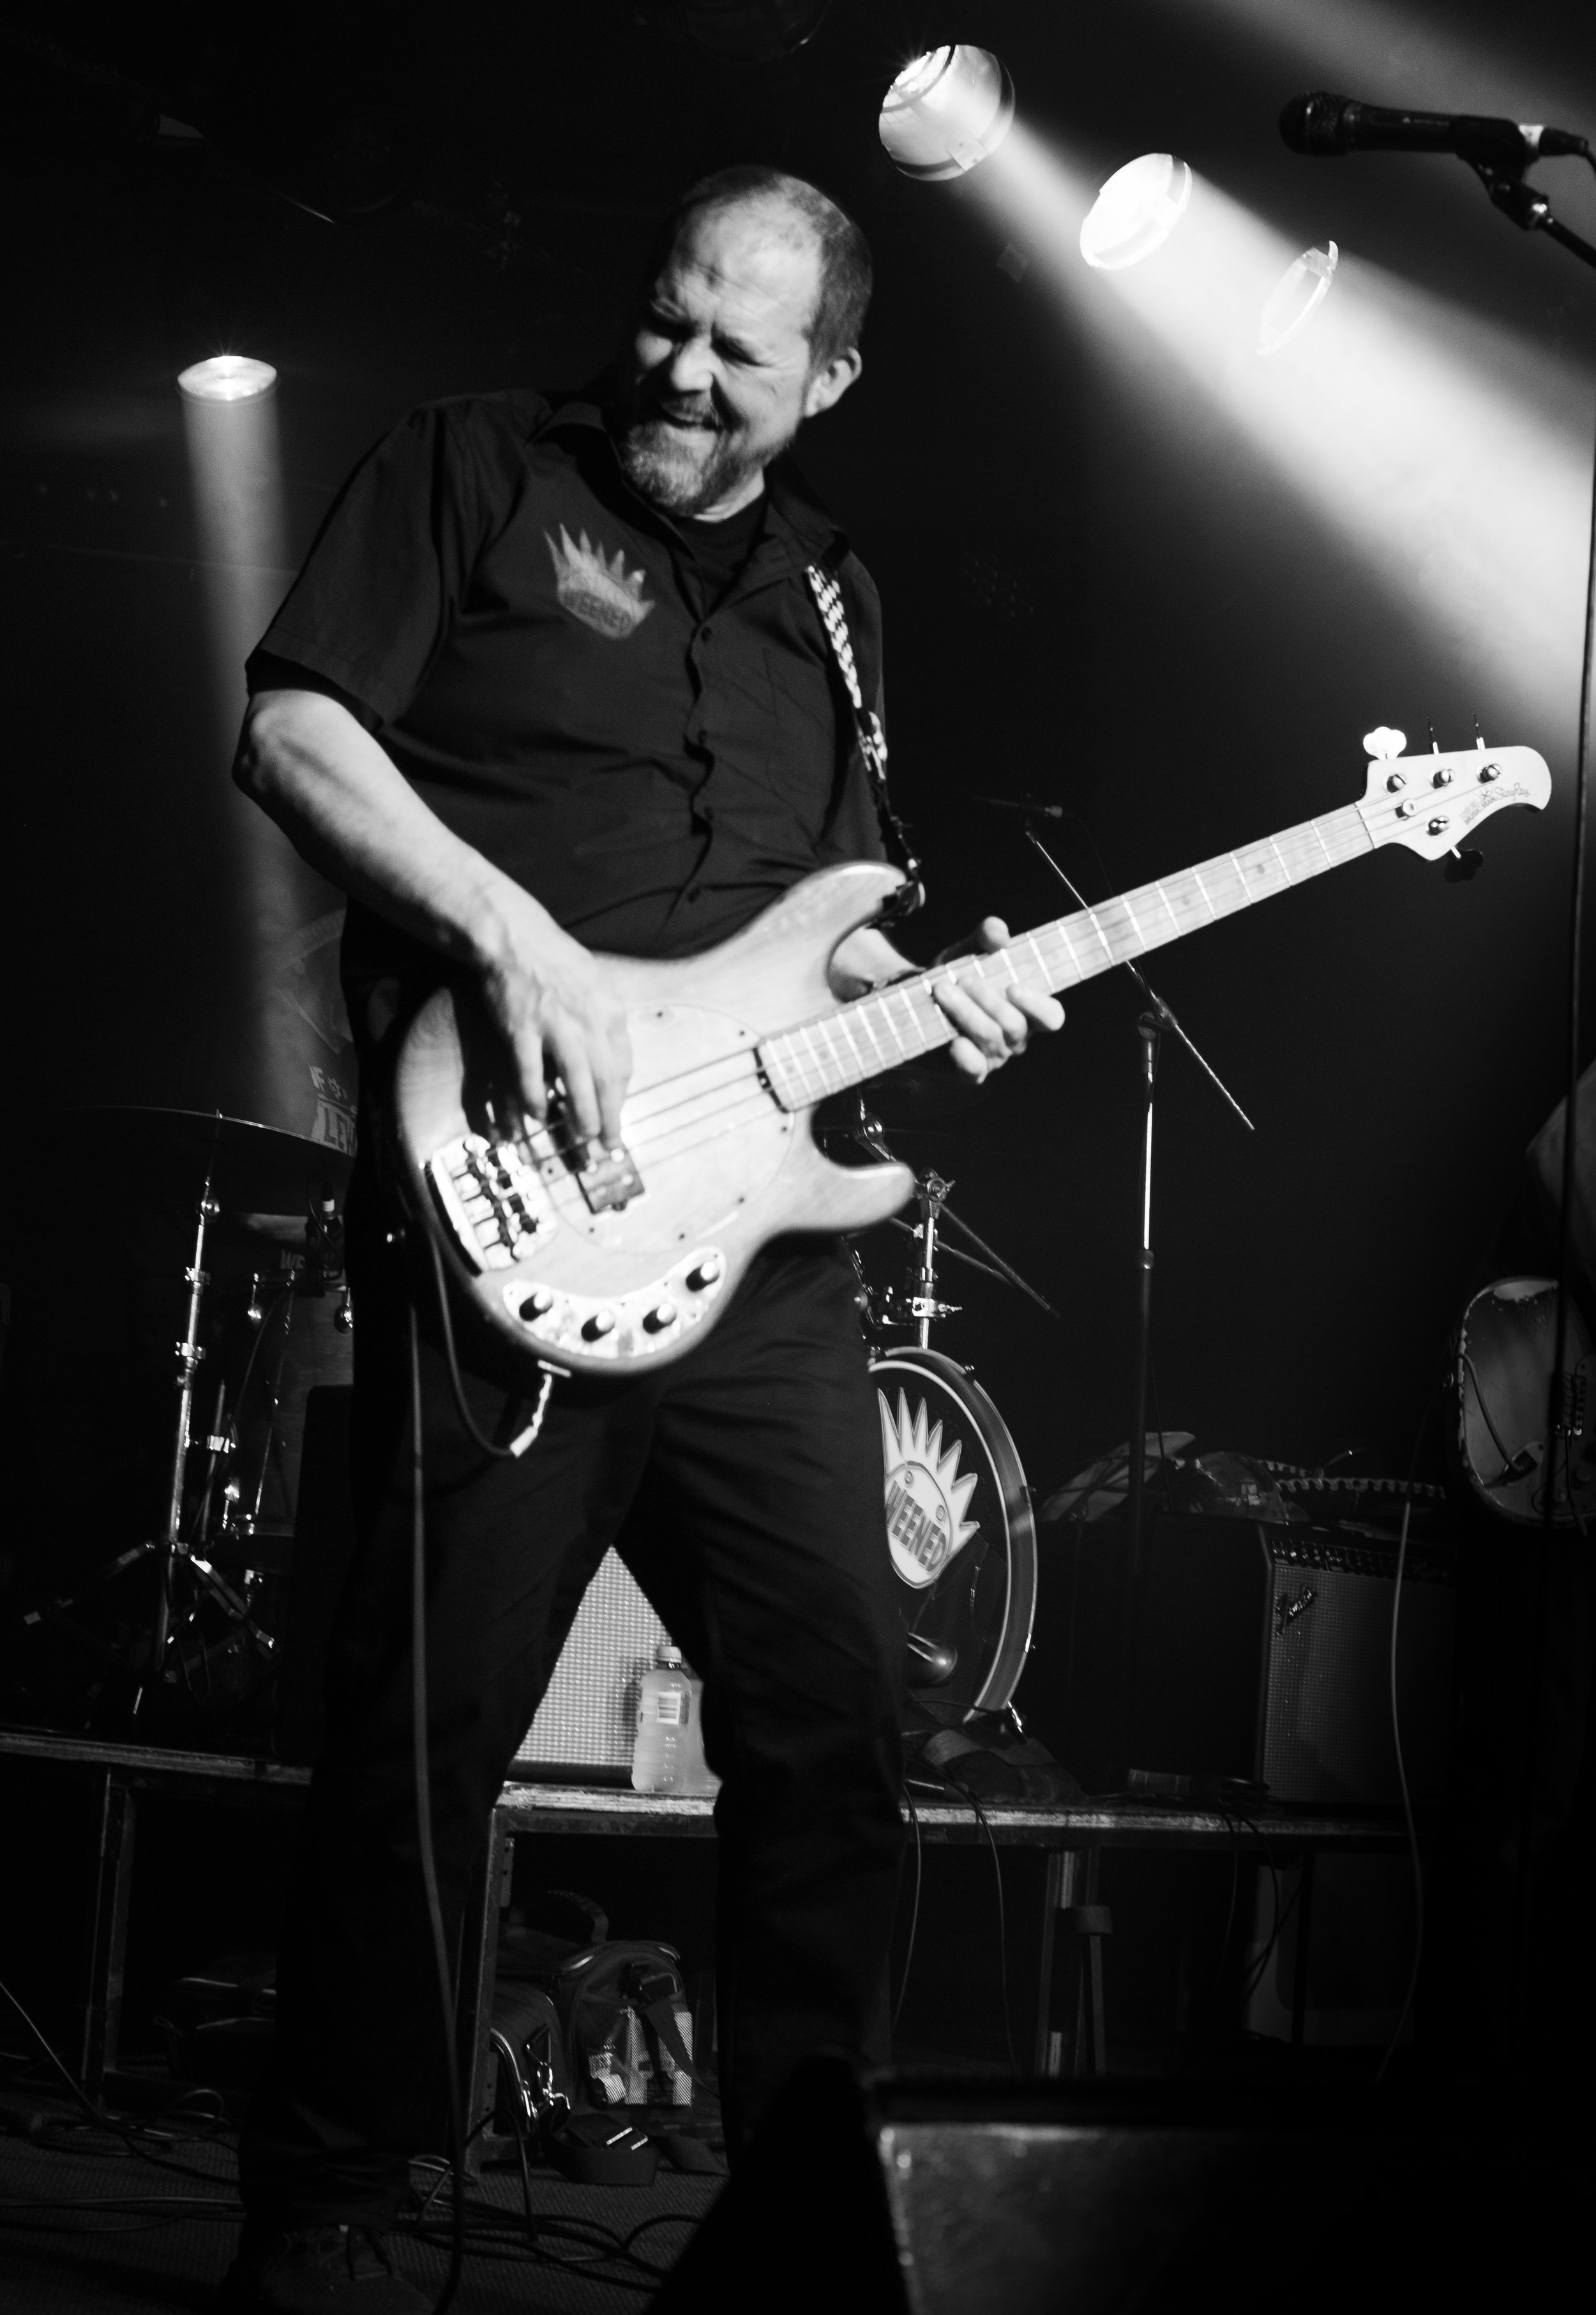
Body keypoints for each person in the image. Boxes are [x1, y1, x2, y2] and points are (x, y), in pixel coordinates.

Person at [223, 164, 1062, 2313]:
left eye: (740, 349)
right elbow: (295, 727)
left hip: (759, 1258)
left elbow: (835, 942)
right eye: (669, 318)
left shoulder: (840, 607)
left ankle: (803, 2219)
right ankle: (330, 2196)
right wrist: (507, 936)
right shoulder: (473, 467)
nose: (682, 370)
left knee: (836, 1712)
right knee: (428, 1721)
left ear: (832, 379)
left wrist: (940, 1002)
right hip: (508, 1186)